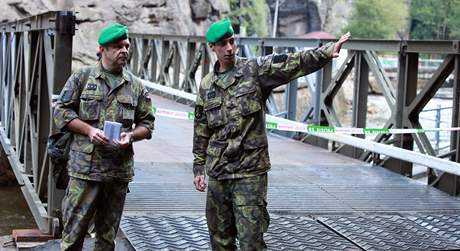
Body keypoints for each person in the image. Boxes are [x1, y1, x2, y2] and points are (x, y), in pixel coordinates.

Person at [192, 18, 350, 250]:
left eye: (231, 41)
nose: (229, 48)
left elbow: (291, 63)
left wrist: (326, 52)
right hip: (218, 174)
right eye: (222, 44)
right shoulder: (207, 85)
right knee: (220, 241)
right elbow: (201, 128)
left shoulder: (254, 70)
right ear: (212, 48)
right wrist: (198, 167)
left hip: (250, 174)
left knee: (251, 243)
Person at [53, 23, 155, 250]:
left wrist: (131, 136)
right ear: (102, 49)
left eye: (126, 46)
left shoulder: (135, 86)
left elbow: (148, 124)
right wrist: (89, 130)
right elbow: (60, 111)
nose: (124, 51)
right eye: (118, 46)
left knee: (107, 240)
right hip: (84, 172)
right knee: (73, 236)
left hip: (116, 174)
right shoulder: (83, 77)